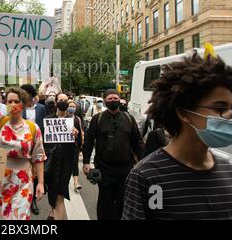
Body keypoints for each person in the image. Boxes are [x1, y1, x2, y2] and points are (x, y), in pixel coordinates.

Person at [123, 53, 232, 219]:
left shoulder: (228, 168)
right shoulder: (145, 176)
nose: (229, 115)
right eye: (220, 108)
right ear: (184, 113)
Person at [0, 70, 46, 220]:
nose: (13, 104)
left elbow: (38, 157)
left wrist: (40, 183)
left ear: (23, 104)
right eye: (9, 101)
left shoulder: (33, 128)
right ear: (5, 103)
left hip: (23, 182)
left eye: (17, 101)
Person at [82, 89, 144, 220]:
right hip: (104, 168)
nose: (113, 101)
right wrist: (86, 162)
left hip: (125, 169)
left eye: (115, 98)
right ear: (105, 101)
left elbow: (137, 142)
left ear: (120, 99)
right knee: (105, 201)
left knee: (122, 200)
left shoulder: (129, 119)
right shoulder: (97, 119)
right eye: (109, 99)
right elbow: (88, 141)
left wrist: (141, 162)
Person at [44, 93, 80, 220]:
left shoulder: (74, 120)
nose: (63, 102)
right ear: (56, 102)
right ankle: (53, 213)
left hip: (66, 162)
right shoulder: (48, 119)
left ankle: (55, 216)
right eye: (61, 100)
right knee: (53, 193)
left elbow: (78, 145)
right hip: (51, 162)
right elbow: (43, 142)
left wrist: (75, 137)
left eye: (65, 100)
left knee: (60, 194)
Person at [20, 84, 46, 216]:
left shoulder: (42, 108)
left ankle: (33, 200)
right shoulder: (18, 108)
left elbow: (47, 125)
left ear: (30, 95)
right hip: (22, 146)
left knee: (36, 171)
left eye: (24, 93)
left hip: (37, 145)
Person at [68, 100, 84, 192]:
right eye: (70, 106)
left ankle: (76, 182)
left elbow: (80, 131)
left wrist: (81, 145)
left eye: (74, 107)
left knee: (75, 163)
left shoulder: (77, 119)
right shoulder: (63, 118)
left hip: (75, 145)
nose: (72, 108)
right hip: (65, 146)